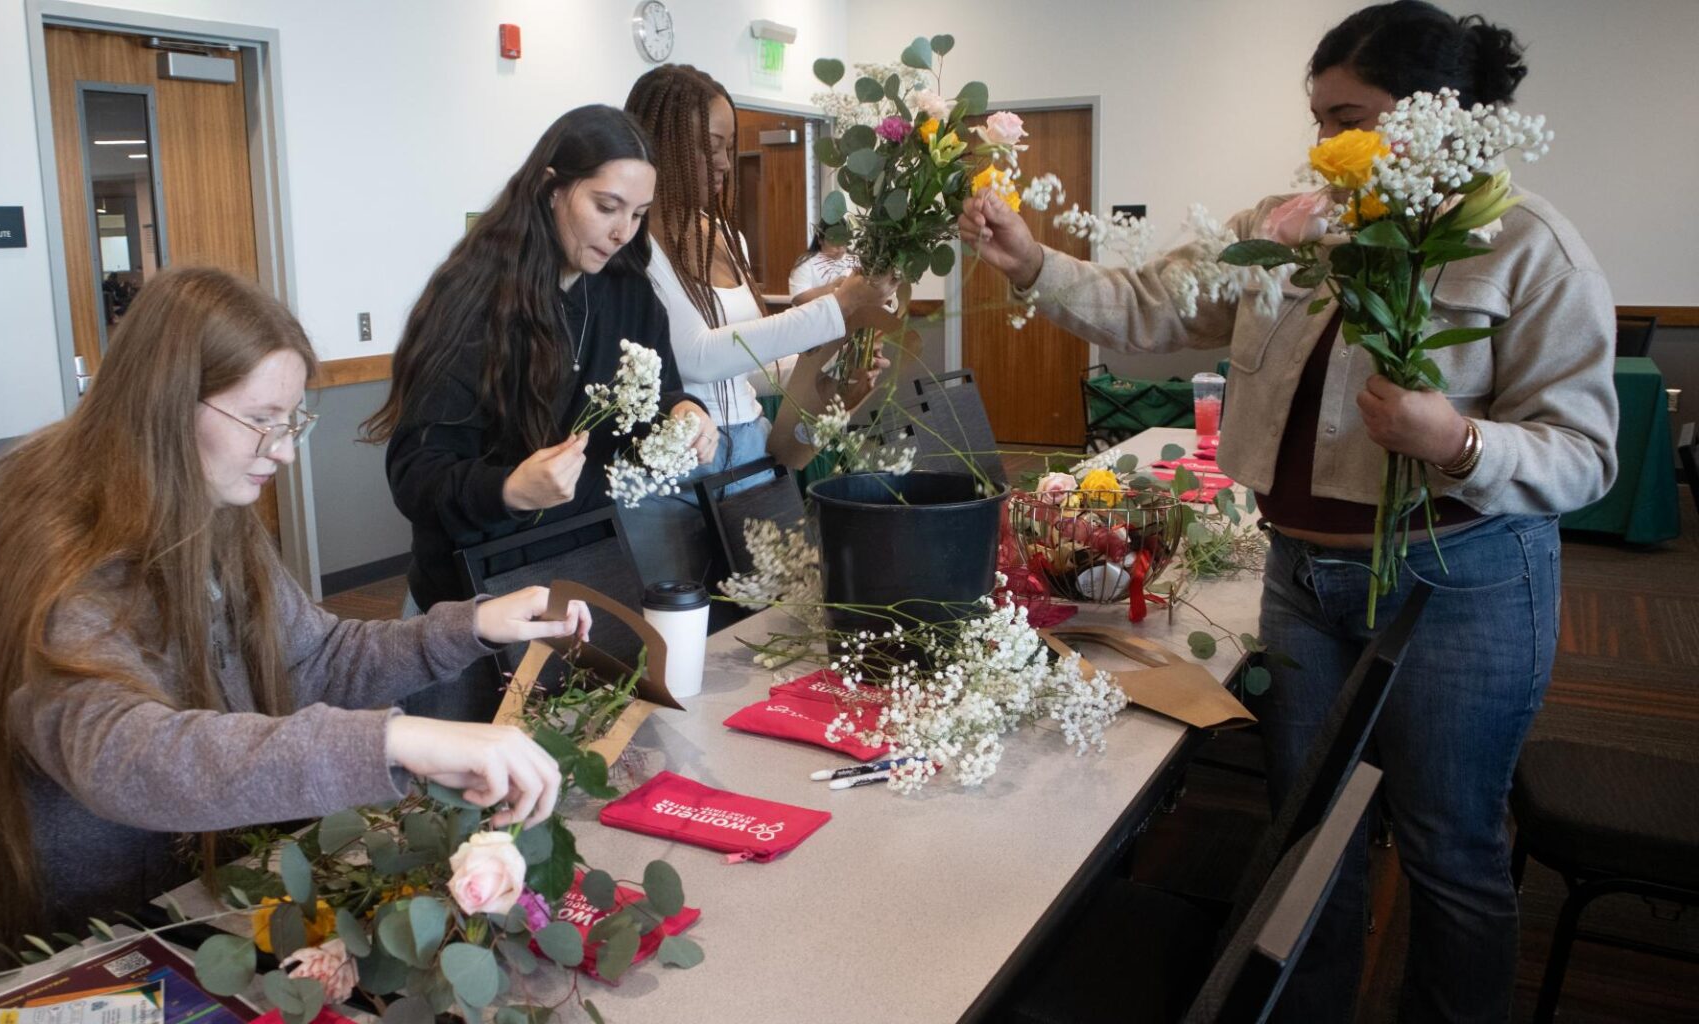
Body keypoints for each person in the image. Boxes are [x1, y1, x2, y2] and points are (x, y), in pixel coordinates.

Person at [959, 4, 1617, 1020]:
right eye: (1317, 119)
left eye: (1347, 116)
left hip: (1462, 579)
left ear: (1441, 117)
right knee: (1307, 836)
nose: (1322, 145)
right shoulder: (1294, 224)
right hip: (1302, 576)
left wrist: (1462, 441)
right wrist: (1034, 263)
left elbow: (1586, 454)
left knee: (1449, 848)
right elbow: (1157, 305)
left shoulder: (1529, 246)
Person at [0, 267, 593, 956]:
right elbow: (126, 757)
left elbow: (316, 658)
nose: (286, 449)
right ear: (165, 403)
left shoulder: (210, 510)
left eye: (292, 419)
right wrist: (390, 742)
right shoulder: (57, 549)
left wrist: (469, 625)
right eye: (262, 421)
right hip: (103, 940)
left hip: (221, 896)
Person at [365, 104, 715, 616]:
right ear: (552, 189)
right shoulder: (468, 302)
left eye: (638, 215)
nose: (624, 233)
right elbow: (416, 475)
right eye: (607, 206)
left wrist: (684, 414)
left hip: (587, 577)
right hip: (473, 597)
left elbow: (657, 397)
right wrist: (509, 490)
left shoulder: (629, 294)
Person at [622, 64, 895, 582]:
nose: (724, 163)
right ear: (660, 143)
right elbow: (698, 356)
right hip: (680, 465)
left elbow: (755, 370)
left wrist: (831, 370)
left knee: (771, 620)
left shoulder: (726, 238)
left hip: (750, 451)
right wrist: (836, 305)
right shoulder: (633, 242)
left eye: (729, 145)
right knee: (688, 629)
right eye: (709, 147)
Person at [786, 228, 857, 303]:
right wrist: (833, 286)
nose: (840, 248)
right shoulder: (806, 263)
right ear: (820, 240)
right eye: (834, 242)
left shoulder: (854, 260)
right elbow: (798, 299)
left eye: (843, 242)